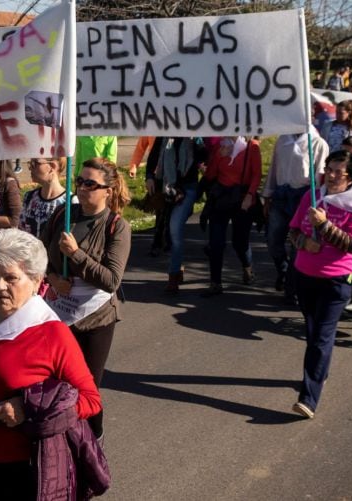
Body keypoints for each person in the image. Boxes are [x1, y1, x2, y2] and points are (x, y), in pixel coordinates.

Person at [0, 229, 102, 498]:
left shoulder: (51, 333)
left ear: (35, 282)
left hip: (23, 470)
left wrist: (29, 408)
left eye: (11, 278)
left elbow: (90, 400)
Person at [41, 158, 131, 439]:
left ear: (108, 189)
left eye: (90, 184)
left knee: (86, 388)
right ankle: (57, 440)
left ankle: (94, 440)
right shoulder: (63, 215)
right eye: (80, 181)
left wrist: (76, 255)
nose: (81, 188)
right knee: (53, 382)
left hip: (96, 319)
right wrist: (53, 278)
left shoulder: (117, 227)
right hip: (58, 312)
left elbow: (111, 280)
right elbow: (39, 255)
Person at [288, 151, 352, 418]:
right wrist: (304, 243)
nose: (331, 176)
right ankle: (320, 372)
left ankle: (308, 399)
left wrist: (323, 227)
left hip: (335, 281)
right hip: (304, 275)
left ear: (351, 177)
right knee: (314, 333)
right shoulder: (313, 196)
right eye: (329, 169)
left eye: (338, 172)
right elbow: (293, 230)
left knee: (321, 337)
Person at [263, 131, 328, 299]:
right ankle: (283, 271)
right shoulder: (282, 139)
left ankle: (291, 287)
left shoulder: (317, 143)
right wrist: (268, 193)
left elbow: (320, 176)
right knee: (273, 240)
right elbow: (274, 167)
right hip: (281, 194)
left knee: (297, 243)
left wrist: (318, 201)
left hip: (302, 196)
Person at [202, 136, 262, 296]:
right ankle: (215, 282)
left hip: (242, 198)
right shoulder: (220, 146)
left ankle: (247, 267)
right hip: (221, 198)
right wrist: (219, 156)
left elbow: (257, 174)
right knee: (216, 242)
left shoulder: (252, 147)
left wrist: (250, 195)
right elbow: (210, 175)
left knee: (240, 242)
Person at [146, 137, 207, 294]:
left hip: (188, 189)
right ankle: (177, 266)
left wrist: (199, 147)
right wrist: (149, 177)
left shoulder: (194, 136)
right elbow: (153, 156)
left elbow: (204, 156)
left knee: (174, 228)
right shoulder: (164, 135)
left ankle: (173, 277)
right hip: (167, 188)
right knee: (172, 229)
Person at [19, 157, 76, 239]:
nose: (30, 167)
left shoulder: (70, 202)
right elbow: (21, 231)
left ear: (53, 166)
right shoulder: (29, 197)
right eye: (30, 163)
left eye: (35, 163)